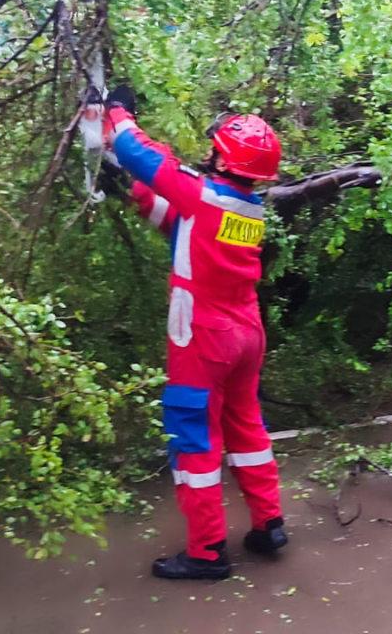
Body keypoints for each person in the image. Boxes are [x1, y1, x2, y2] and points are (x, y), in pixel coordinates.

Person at [102, 85, 288, 580]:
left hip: (203, 338)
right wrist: (130, 192)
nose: (207, 155)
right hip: (246, 332)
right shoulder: (247, 209)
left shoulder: (203, 192)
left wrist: (117, 113)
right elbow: (180, 220)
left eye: (215, 150)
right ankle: (269, 526)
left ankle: (207, 552)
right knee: (246, 427)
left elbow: (137, 154)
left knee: (193, 440)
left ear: (226, 161)